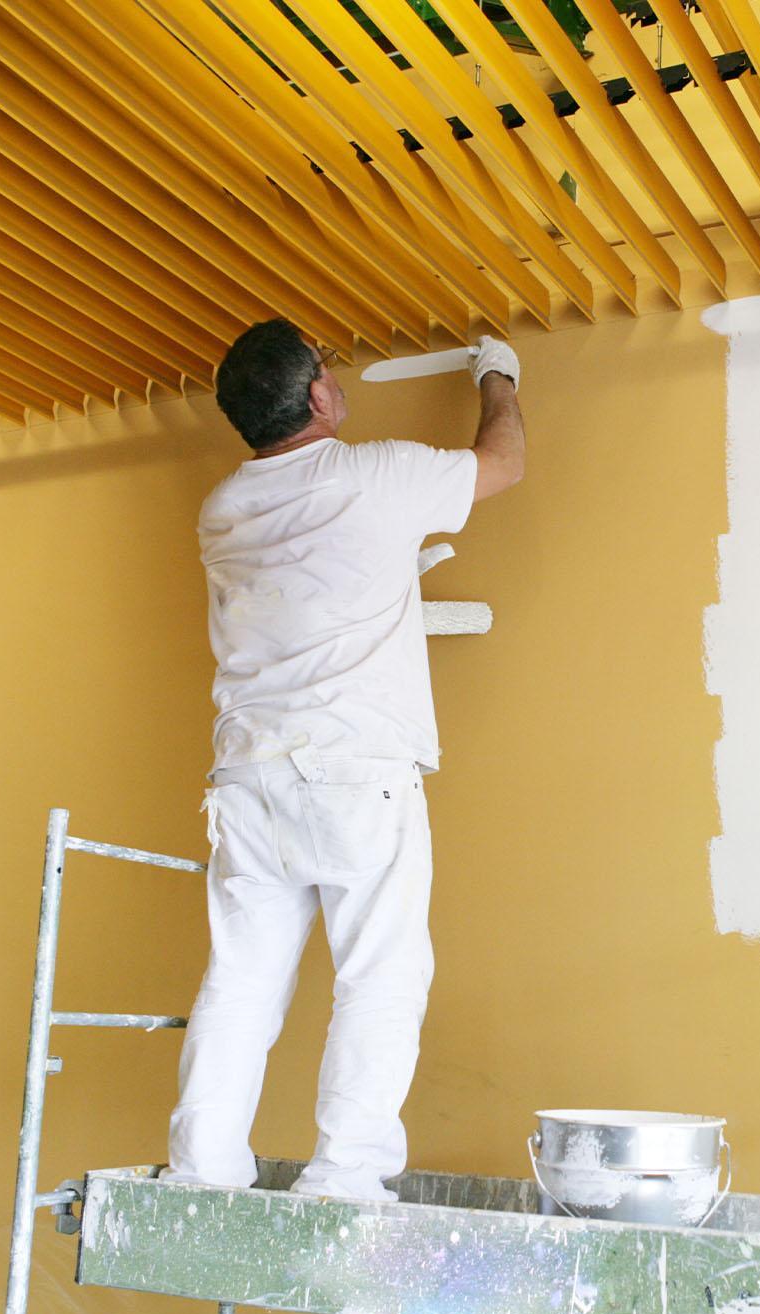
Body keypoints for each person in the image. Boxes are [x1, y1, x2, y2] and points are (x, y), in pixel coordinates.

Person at [161, 319, 524, 1200]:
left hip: (248, 773)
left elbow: (305, 598)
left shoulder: (223, 510)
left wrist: (396, 593)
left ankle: (201, 1174)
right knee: (381, 972)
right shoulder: (374, 475)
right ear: (320, 396)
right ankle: (346, 1176)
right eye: (327, 368)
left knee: (242, 978)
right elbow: (502, 461)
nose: (334, 375)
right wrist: (499, 377)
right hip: (354, 768)